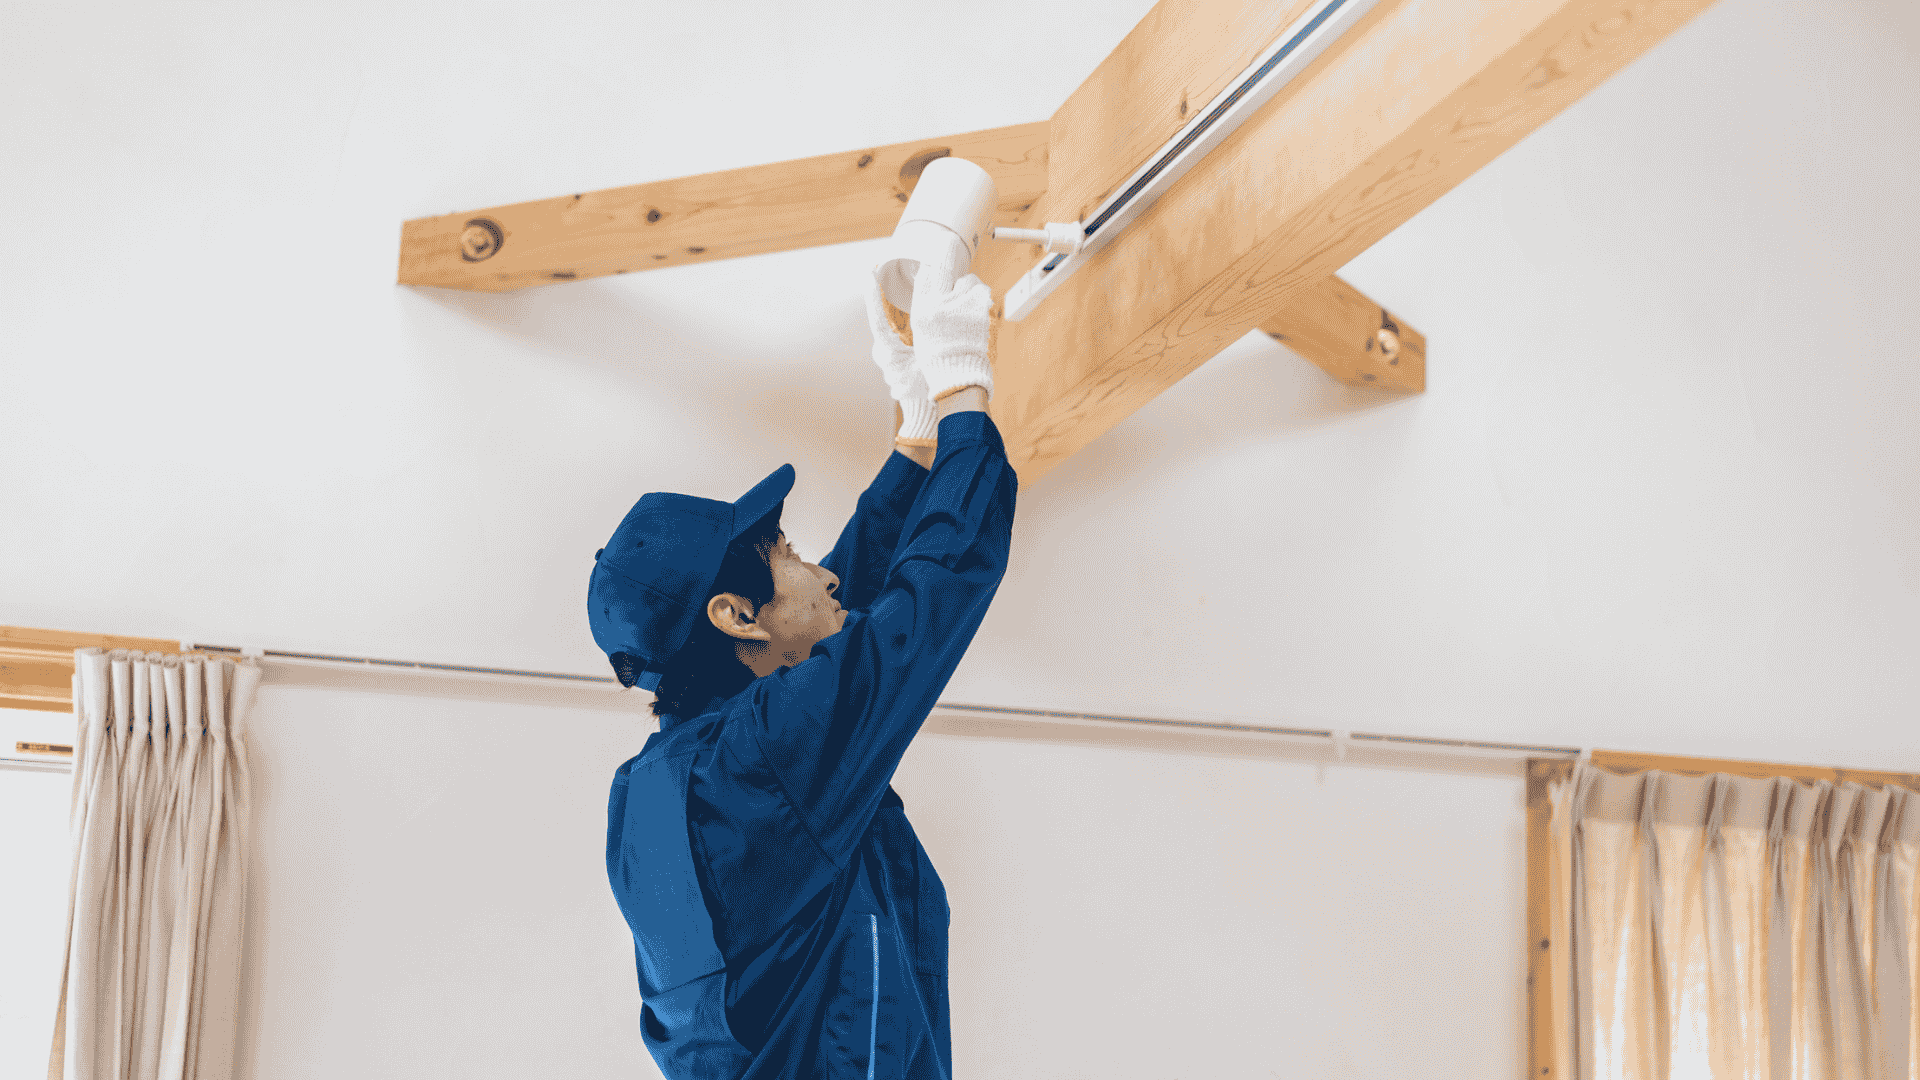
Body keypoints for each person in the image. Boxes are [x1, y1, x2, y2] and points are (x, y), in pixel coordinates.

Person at [588, 259, 1016, 1080]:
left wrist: (917, 434)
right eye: (786, 552)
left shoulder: (658, 787)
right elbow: (932, 592)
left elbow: (833, 622)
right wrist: (964, 387)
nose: (819, 570)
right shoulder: (768, 757)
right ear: (734, 615)